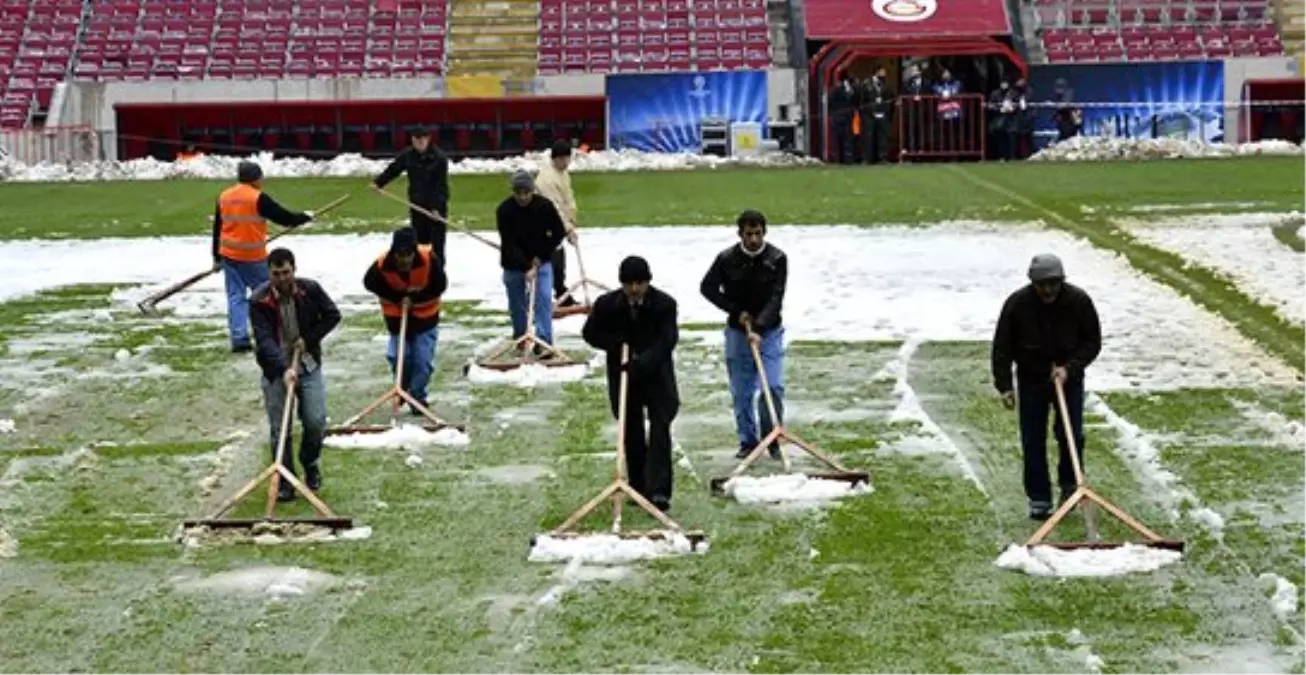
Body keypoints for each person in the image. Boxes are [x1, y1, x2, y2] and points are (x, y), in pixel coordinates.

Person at [991, 253, 1102, 521]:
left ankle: (1069, 486)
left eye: (1053, 283)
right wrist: (1005, 386)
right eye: (1042, 284)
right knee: (1032, 440)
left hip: (1068, 379)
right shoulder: (1017, 304)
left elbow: (1092, 342)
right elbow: (1002, 347)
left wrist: (1069, 369)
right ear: (1033, 283)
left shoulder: (1078, 301)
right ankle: (1039, 498)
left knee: (1071, 435)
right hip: (1031, 379)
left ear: (1062, 281)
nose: (1048, 289)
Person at [582, 256, 680, 513]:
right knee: (632, 432)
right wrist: (614, 343)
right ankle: (638, 486)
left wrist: (643, 361)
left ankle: (659, 491)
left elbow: (667, 340)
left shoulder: (665, 305)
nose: (635, 289)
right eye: (629, 284)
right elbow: (590, 333)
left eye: (639, 283)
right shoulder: (607, 305)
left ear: (648, 281)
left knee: (660, 430)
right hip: (624, 377)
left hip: (656, 377)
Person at [249, 248, 342, 502]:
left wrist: (308, 339)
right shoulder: (259, 300)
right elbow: (264, 340)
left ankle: (309, 462)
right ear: (269, 273)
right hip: (276, 370)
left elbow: (333, 315)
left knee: (315, 421)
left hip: (308, 364)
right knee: (280, 429)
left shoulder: (310, 290)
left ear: (294, 270)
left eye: (286, 272)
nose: (282, 278)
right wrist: (283, 369)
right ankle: (285, 481)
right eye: (276, 273)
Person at [700, 209, 789, 460]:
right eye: (748, 234)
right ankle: (748, 442)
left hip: (769, 331)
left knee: (772, 386)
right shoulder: (726, 259)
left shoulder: (777, 258)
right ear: (740, 234)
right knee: (742, 392)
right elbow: (707, 288)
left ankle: (771, 438)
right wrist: (736, 310)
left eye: (758, 234)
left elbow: (776, 297)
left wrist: (759, 328)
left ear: (765, 233)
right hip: (738, 332)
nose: (753, 239)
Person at [212, 160, 315, 353]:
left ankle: (239, 338)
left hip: (229, 255)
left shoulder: (224, 196)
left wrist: (216, 257)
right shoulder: (258, 198)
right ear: (256, 178)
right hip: (253, 255)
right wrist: (305, 217)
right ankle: (275, 334)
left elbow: (217, 227)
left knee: (236, 297)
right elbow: (284, 218)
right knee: (267, 296)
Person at [363, 227, 448, 414]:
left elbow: (440, 285)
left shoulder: (429, 259)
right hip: (397, 319)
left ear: (414, 252)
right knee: (397, 357)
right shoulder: (381, 265)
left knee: (422, 361)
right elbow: (369, 283)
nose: (403, 260)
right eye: (399, 255)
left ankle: (417, 397)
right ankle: (402, 387)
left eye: (407, 255)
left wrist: (415, 299)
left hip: (425, 319)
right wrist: (397, 297)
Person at [495, 169, 567, 355]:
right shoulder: (504, 210)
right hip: (513, 264)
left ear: (532, 191)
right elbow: (508, 243)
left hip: (541, 261)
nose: (523, 197)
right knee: (516, 301)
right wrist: (525, 266)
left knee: (543, 297)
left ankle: (544, 341)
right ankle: (521, 336)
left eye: (526, 193)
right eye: (519, 193)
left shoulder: (545, 207)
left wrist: (538, 260)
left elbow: (557, 233)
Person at [371, 125, 451, 257]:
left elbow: (441, 186)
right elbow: (394, 169)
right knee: (419, 243)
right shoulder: (408, 155)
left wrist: (436, 208)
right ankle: (420, 272)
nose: (419, 143)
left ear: (428, 139)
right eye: (416, 140)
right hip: (416, 204)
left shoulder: (439, 158)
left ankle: (437, 273)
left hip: (436, 208)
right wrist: (379, 182)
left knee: (437, 245)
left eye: (422, 140)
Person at [533, 139, 581, 307]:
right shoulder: (547, 179)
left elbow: (568, 199)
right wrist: (567, 228)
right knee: (550, 257)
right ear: (556, 158)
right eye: (564, 159)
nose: (567, 162)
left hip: (559, 225)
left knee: (559, 256)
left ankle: (560, 290)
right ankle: (549, 293)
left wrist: (571, 221)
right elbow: (555, 207)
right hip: (547, 226)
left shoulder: (563, 174)